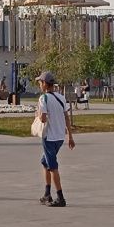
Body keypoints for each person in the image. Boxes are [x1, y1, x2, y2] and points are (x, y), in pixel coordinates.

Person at [34, 71, 75, 206]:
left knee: (52, 166)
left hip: (49, 137)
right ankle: (47, 194)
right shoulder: (61, 97)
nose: (39, 85)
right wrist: (70, 136)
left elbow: (43, 118)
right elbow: (66, 117)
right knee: (44, 162)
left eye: (40, 82)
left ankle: (60, 197)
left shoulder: (43, 98)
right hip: (59, 137)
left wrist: (38, 114)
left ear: (45, 84)